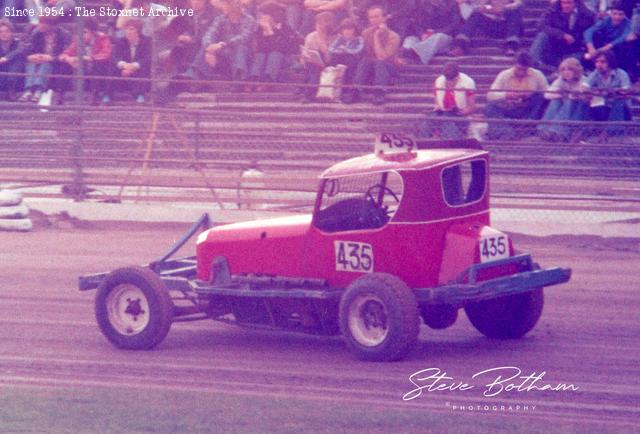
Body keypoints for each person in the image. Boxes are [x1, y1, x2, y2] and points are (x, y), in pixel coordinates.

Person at [484, 51, 548, 139]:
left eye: (524, 70)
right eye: (519, 69)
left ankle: (525, 128)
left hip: (528, 110)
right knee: (490, 107)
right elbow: (490, 95)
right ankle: (506, 132)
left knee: (540, 99)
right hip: (509, 108)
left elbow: (547, 93)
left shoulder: (537, 75)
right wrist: (507, 95)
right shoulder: (504, 75)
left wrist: (530, 95)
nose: (521, 72)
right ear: (514, 65)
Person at [189, 0, 257, 83]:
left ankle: (239, 78)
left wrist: (223, 44)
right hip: (225, 51)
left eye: (225, 4)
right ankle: (192, 75)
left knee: (240, 48)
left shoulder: (249, 19)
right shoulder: (220, 18)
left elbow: (244, 37)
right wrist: (208, 47)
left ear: (232, 6)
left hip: (243, 54)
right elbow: (210, 33)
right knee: (205, 48)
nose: (223, 7)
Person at [346, 4, 400, 105]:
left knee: (379, 62)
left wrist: (376, 37)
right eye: (371, 17)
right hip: (371, 68)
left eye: (376, 16)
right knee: (366, 60)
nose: (373, 20)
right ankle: (356, 90)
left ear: (384, 18)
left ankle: (380, 92)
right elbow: (363, 55)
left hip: (389, 69)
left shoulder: (394, 36)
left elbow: (382, 57)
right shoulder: (366, 33)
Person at [56, 17, 113, 105]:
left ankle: (95, 95)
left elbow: (106, 54)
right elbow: (63, 54)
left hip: (98, 73)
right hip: (83, 72)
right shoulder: (78, 40)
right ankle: (60, 94)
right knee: (65, 64)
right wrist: (68, 59)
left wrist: (87, 58)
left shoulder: (102, 38)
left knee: (98, 64)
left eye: (84, 32)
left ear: (93, 32)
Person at [529, 0, 595, 71]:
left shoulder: (586, 14)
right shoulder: (553, 10)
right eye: (564, 3)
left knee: (577, 58)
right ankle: (533, 63)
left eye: (569, 3)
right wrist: (562, 35)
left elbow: (589, 34)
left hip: (574, 50)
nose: (566, 6)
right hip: (555, 48)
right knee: (542, 36)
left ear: (576, 3)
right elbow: (541, 26)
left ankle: (557, 70)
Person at [246, 1, 299, 90]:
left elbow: (280, 48)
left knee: (275, 54)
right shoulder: (260, 29)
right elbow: (260, 48)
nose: (263, 17)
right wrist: (266, 30)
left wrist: (270, 31)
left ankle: (268, 80)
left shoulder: (285, 27)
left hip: (284, 59)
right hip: (265, 59)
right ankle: (254, 79)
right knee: (260, 54)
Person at [18, 16, 71, 103]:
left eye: (44, 23)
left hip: (55, 63)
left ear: (52, 25)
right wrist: (29, 57)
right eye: (40, 22)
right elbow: (26, 49)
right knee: (30, 63)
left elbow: (67, 53)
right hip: (39, 60)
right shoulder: (36, 32)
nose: (40, 26)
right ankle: (28, 91)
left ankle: (38, 90)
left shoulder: (64, 35)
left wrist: (52, 58)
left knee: (46, 64)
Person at [537, 57, 590, 141]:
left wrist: (567, 95)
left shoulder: (584, 81)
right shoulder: (560, 80)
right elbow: (547, 95)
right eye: (563, 70)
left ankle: (557, 131)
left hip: (579, 109)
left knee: (569, 101)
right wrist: (561, 94)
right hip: (564, 105)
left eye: (569, 69)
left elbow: (580, 97)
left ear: (576, 71)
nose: (566, 72)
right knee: (555, 101)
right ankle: (544, 129)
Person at [420, 61, 476, 138]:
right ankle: (422, 142)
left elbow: (471, 108)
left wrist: (462, 112)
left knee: (448, 122)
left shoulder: (468, 82)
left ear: (457, 76)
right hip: (442, 114)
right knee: (428, 121)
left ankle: (449, 142)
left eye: (452, 80)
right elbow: (437, 103)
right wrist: (437, 108)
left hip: (459, 116)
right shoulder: (439, 81)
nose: (449, 82)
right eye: (447, 79)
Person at [450, 0, 524, 56]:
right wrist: (491, 9)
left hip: (508, 26)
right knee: (476, 14)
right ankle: (461, 45)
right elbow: (483, 6)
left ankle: (511, 46)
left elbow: (518, 3)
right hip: (492, 24)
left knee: (515, 13)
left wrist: (505, 8)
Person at [401, 0, 462, 65]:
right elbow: (416, 23)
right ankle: (406, 55)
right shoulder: (422, 3)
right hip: (424, 37)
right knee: (410, 39)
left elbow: (455, 24)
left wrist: (435, 32)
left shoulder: (452, 3)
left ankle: (414, 54)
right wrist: (421, 34)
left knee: (438, 37)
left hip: (444, 36)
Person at [110, 18, 152, 103]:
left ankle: (141, 95)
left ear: (138, 31)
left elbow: (147, 58)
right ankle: (107, 95)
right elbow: (115, 57)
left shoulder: (147, 41)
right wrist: (124, 65)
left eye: (131, 29)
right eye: (126, 29)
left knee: (144, 69)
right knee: (112, 68)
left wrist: (134, 66)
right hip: (124, 71)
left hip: (138, 70)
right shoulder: (120, 41)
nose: (128, 32)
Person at [585, 49, 632, 122]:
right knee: (596, 106)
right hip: (603, 106)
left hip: (621, 107)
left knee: (618, 103)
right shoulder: (595, 73)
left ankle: (612, 131)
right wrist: (595, 92)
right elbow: (584, 87)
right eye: (596, 62)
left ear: (610, 62)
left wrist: (608, 92)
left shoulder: (621, 73)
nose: (599, 65)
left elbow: (625, 91)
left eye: (602, 62)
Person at [299, 11, 336, 101]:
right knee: (313, 68)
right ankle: (308, 94)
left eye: (321, 23)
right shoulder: (310, 36)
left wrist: (321, 40)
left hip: (329, 64)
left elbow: (329, 58)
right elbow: (305, 53)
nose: (319, 26)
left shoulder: (334, 37)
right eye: (317, 23)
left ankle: (307, 94)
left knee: (315, 70)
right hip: (312, 63)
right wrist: (304, 56)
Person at [583, 1, 631, 67]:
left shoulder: (628, 24)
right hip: (603, 44)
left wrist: (607, 47)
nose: (617, 17)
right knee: (594, 36)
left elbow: (623, 38)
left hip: (616, 48)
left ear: (625, 15)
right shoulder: (606, 20)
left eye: (620, 14)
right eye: (615, 14)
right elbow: (589, 31)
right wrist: (590, 47)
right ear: (611, 13)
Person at [327, 18, 364, 95]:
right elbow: (331, 48)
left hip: (353, 61)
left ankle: (346, 89)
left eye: (350, 29)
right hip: (340, 59)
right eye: (345, 29)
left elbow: (357, 50)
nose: (347, 31)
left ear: (354, 30)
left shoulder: (359, 39)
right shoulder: (340, 38)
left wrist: (346, 50)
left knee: (348, 58)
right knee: (335, 57)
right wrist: (341, 51)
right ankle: (332, 83)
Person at [0, 19, 25, 101]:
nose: (4, 34)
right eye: (1, 32)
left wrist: (5, 58)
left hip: (15, 73)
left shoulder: (17, 42)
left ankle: (11, 91)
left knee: (17, 60)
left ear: (12, 32)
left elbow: (19, 51)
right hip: (3, 71)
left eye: (7, 31)